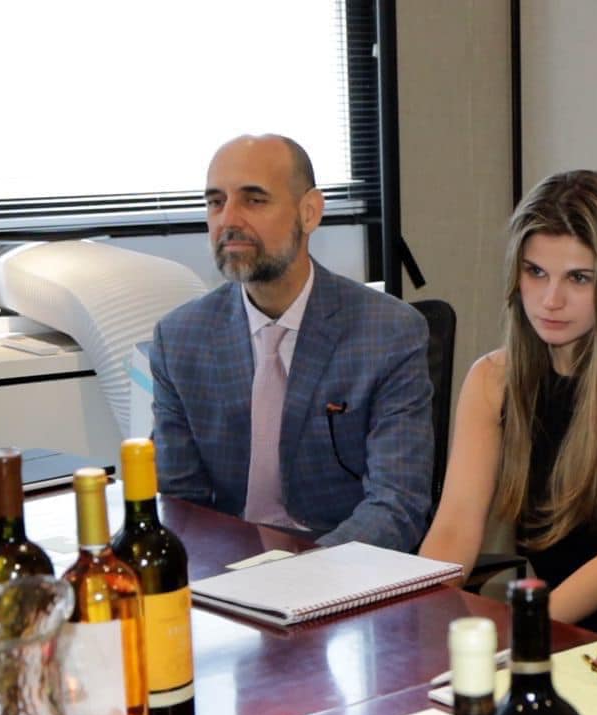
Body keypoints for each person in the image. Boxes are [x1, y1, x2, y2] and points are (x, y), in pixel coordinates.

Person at [419, 170, 597, 632]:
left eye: (579, 278)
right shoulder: (492, 379)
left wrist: (520, 634)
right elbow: (455, 527)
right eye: (535, 272)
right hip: (552, 631)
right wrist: (415, 617)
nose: (550, 300)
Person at [152, 134, 433, 550]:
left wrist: (303, 574)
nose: (229, 220)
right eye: (216, 202)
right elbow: (178, 505)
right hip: (230, 564)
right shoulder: (180, 339)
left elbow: (397, 506)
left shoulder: (388, 332)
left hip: (341, 561)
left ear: (309, 212)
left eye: (254, 200)